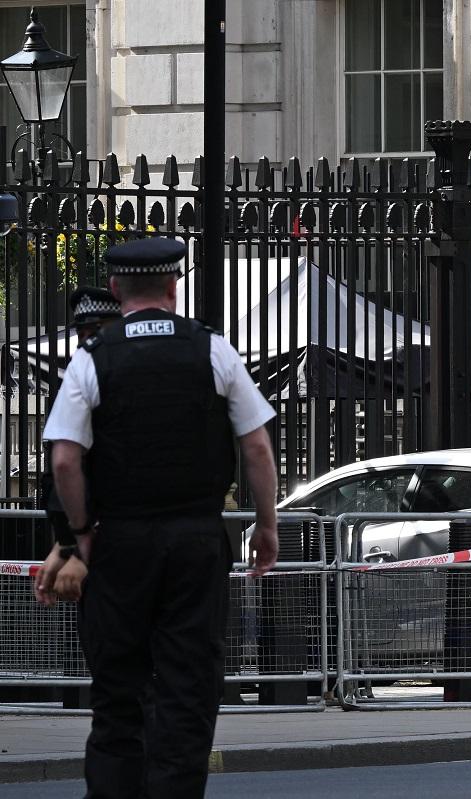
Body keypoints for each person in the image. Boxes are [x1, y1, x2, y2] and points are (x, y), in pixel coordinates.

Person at [35, 237, 280, 798]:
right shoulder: (212, 351)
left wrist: (78, 535)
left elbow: (66, 458)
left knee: (118, 694)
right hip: (195, 538)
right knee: (186, 692)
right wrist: (266, 526)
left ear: (116, 290)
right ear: (174, 287)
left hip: (118, 541)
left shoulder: (92, 359)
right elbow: (258, 449)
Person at [36, 287, 123, 565]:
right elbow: (59, 470)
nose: (86, 345)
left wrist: (71, 545)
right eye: (81, 336)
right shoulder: (80, 377)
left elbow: (63, 465)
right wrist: (68, 543)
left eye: (94, 334)